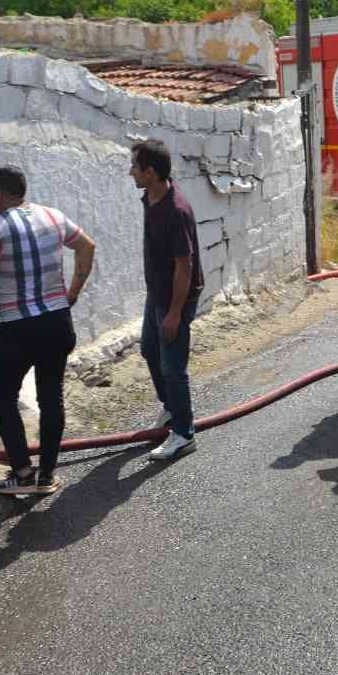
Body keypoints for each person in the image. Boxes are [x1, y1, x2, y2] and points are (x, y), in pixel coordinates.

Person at [0, 166, 96, 497]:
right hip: (57, 322)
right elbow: (87, 247)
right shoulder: (53, 216)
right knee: (51, 397)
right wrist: (72, 293)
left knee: (3, 397)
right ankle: (46, 476)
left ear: (0, 195)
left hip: (18, 328)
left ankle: (22, 473)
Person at [130, 139, 206, 461]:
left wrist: (175, 313)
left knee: (173, 366)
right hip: (157, 293)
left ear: (150, 172)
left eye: (135, 167)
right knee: (150, 349)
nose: (130, 172)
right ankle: (172, 408)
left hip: (176, 297)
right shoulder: (150, 198)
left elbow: (184, 265)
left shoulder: (176, 210)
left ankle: (184, 434)